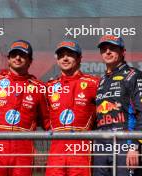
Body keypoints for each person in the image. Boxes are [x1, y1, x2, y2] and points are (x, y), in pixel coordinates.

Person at [0, 40, 50, 176]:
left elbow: (47, 121)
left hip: (24, 148)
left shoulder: (39, 87)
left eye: (22, 55)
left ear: (30, 61)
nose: (18, 58)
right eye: (14, 55)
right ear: (8, 59)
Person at [93, 35, 142, 176]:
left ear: (123, 52)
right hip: (101, 145)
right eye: (104, 49)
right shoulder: (101, 81)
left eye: (113, 48)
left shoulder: (134, 75)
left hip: (124, 144)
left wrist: (134, 145)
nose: (108, 52)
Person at [45, 40, 99, 176]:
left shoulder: (93, 83)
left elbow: (103, 114)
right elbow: (44, 117)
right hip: (56, 148)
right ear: (57, 60)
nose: (65, 58)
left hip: (81, 148)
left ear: (79, 58)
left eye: (69, 54)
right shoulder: (49, 86)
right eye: (61, 55)